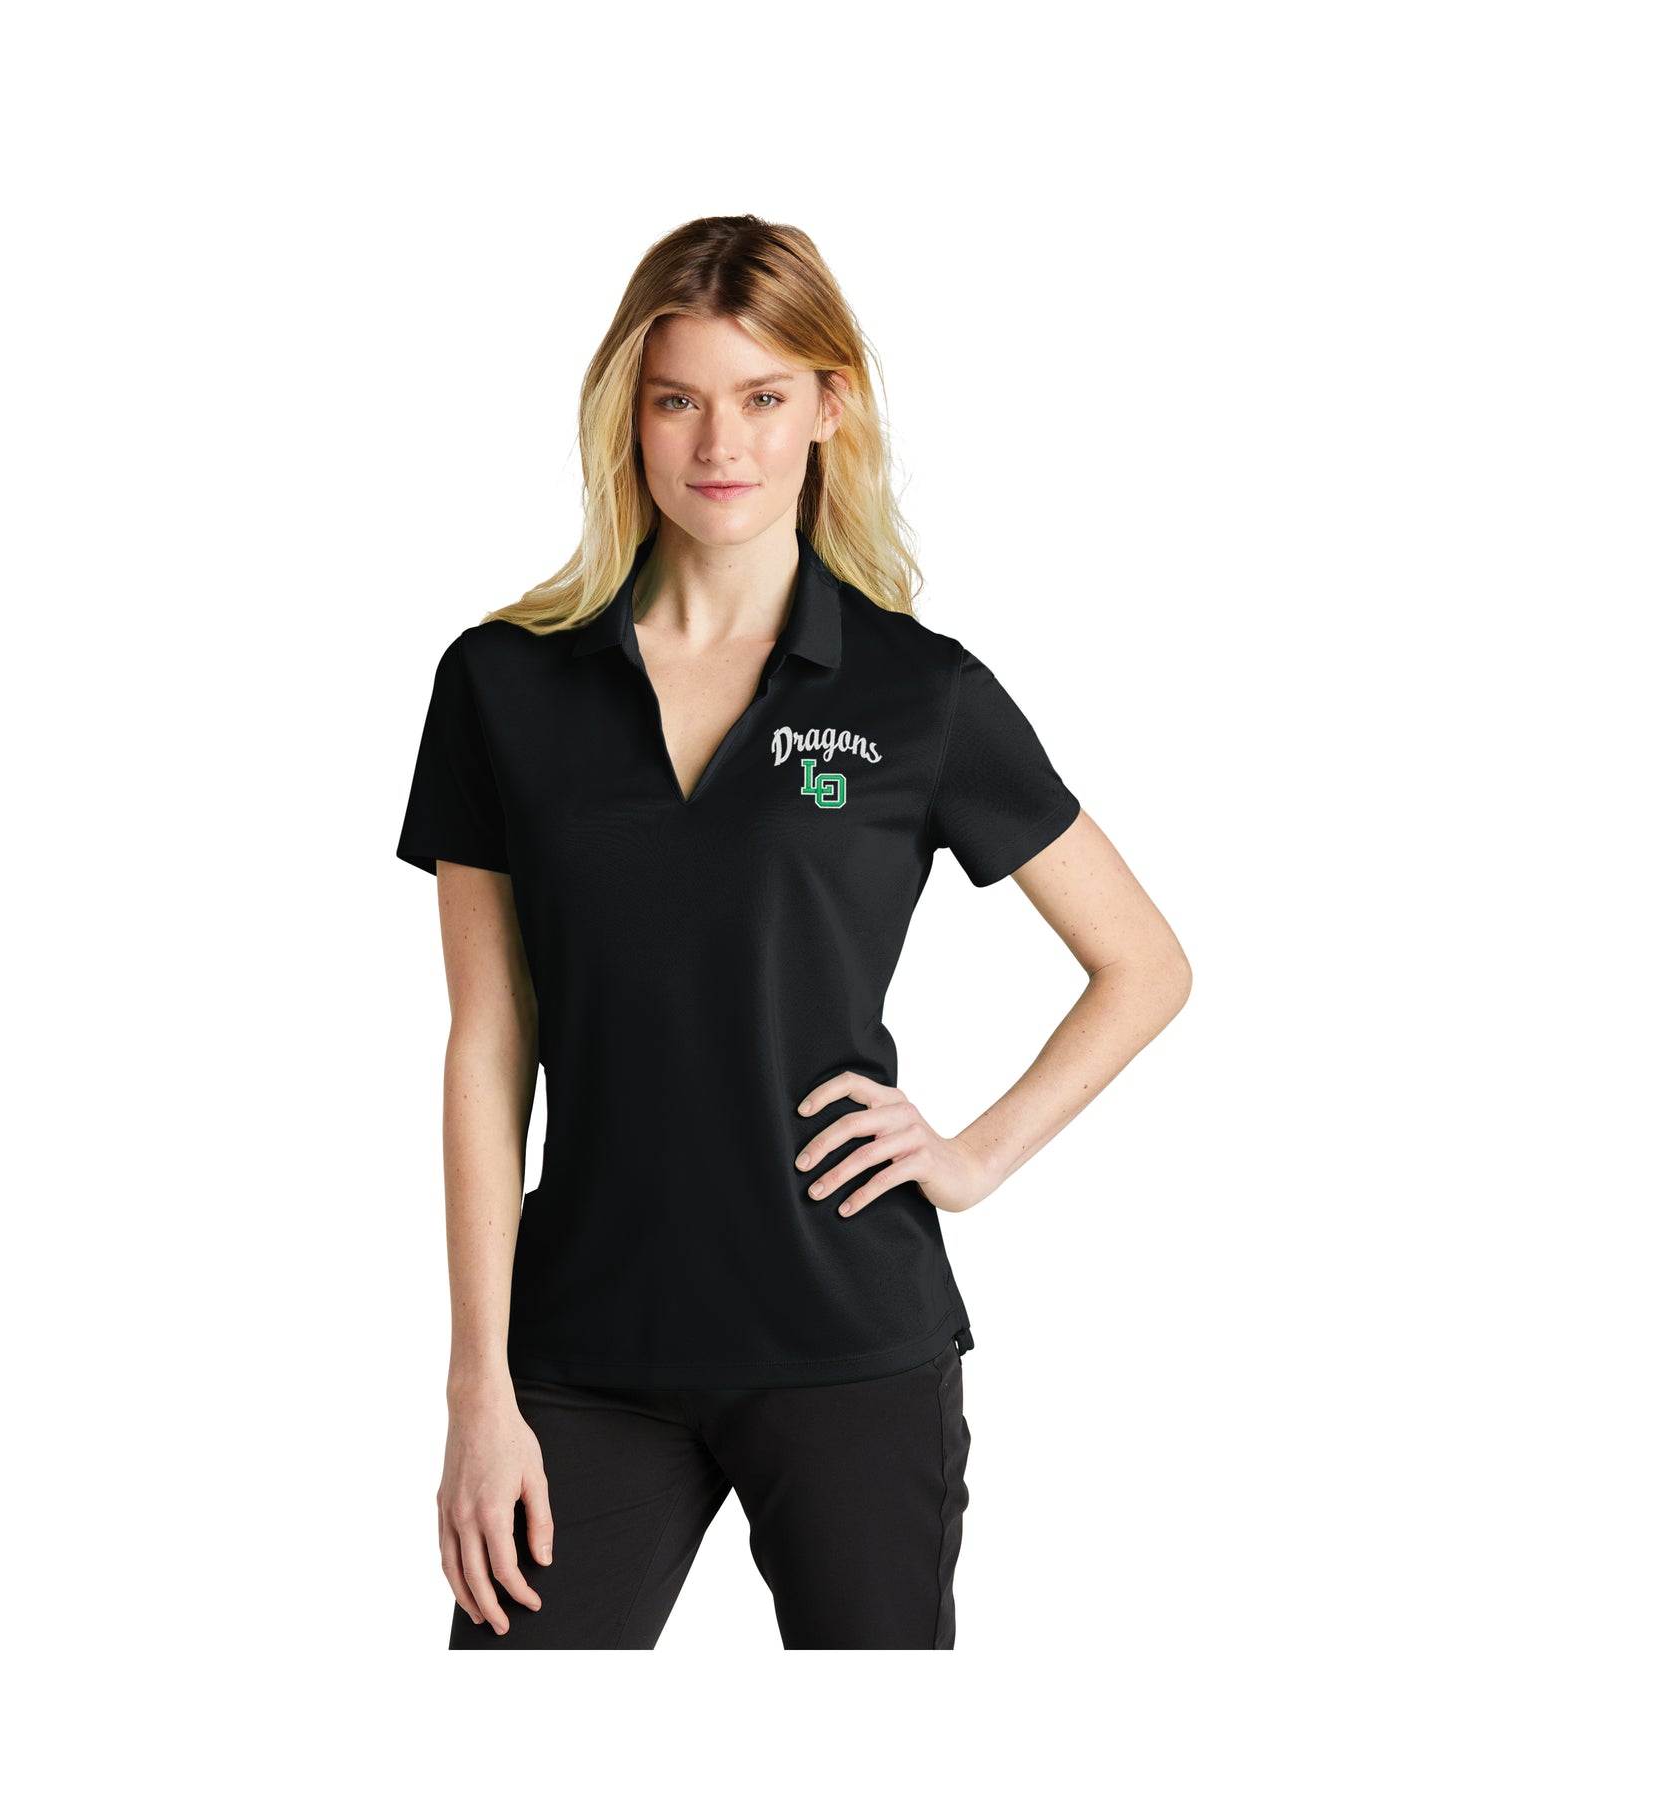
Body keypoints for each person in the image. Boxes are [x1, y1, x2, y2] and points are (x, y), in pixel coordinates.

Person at [396, 214, 1191, 1649]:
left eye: (762, 396)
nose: (722, 444)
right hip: (581, 1351)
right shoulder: (502, 685)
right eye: (678, 399)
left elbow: (1144, 965)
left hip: (850, 1342)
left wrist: (970, 1159)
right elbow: (488, 1045)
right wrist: (477, 1387)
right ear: (628, 415)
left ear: (830, 406)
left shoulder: (917, 694)